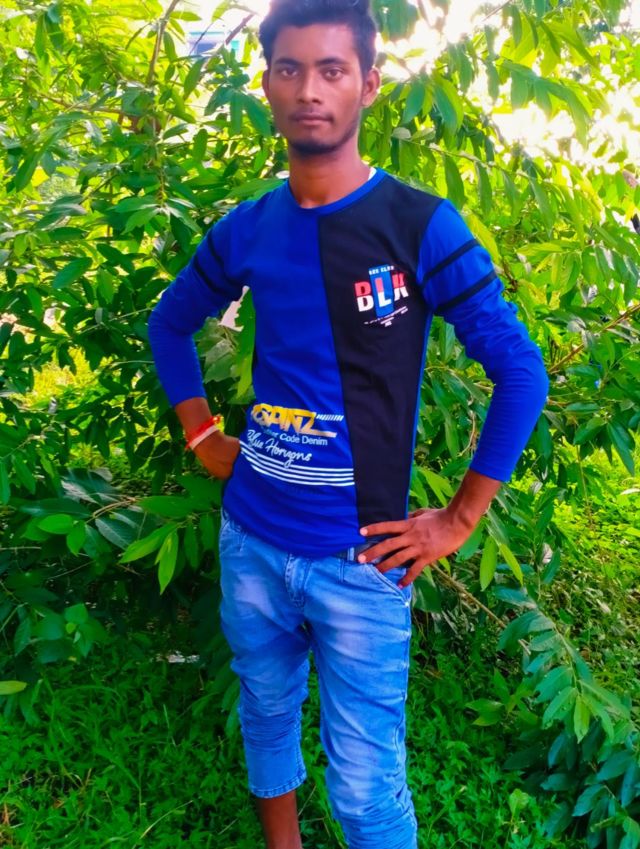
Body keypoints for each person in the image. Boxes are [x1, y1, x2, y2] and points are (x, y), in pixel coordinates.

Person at [147, 1, 549, 846]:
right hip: (252, 543)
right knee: (265, 715)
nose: (309, 90)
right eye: (290, 69)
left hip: (362, 561)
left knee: (367, 796)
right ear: (267, 85)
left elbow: (521, 372)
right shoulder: (250, 227)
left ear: (368, 84)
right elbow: (170, 323)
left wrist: (459, 518)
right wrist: (201, 433)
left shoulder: (419, 226)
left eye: (332, 70)